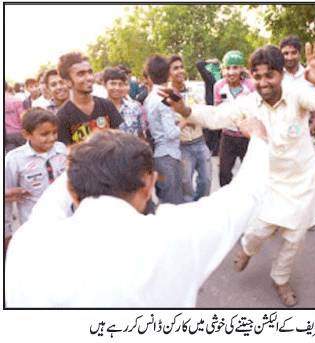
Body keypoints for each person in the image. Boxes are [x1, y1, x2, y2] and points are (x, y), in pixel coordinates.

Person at [6, 120, 269, 307]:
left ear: (73, 191)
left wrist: (90, 159)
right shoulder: (171, 236)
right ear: (149, 184)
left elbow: (54, 197)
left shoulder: (28, 240)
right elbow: (247, 192)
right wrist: (258, 136)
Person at [163, 42, 315, 306]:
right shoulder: (248, 103)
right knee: (258, 230)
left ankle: (280, 279)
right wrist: (185, 110)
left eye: (270, 75)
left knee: (294, 239)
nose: (264, 82)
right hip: (268, 183)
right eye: (258, 76)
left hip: (301, 184)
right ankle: (247, 249)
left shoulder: (297, 93)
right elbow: (216, 116)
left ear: (280, 74)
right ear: (251, 76)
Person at [5, 108, 67, 252]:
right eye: (44, 134)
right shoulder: (14, 160)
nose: (51, 138)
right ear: (27, 134)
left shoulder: (61, 150)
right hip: (35, 228)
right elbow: (7, 198)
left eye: (54, 132)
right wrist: (6, 233)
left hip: (65, 223)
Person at [55, 52, 124, 145]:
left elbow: (119, 140)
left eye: (90, 72)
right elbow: (67, 152)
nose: (89, 78)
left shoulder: (106, 105)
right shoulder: (62, 117)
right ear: (67, 82)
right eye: (81, 74)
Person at [169, 55, 212, 201]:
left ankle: (202, 207)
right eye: (175, 68)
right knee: (186, 183)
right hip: (182, 146)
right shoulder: (166, 95)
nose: (180, 71)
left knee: (206, 181)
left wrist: (188, 116)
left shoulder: (194, 89)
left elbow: (202, 110)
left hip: (200, 142)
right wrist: (188, 119)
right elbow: (169, 121)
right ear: (168, 73)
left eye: (181, 67)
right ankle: (191, 212)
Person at [143, 54, 184, 205]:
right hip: (168, 155)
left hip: (159, 155)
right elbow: (172, 133)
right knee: (173, 204)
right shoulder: (164, 98)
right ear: (168, 73)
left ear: (150, 76)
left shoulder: (149, 97)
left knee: (165, 201)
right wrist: (184, 122)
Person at [214, 50, 256, 186]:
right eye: (228, 68)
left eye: (235, 67)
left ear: (242, 68)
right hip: (227, 136)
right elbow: (217, 110)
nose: (231, 72)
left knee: (251, 173)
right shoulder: (219, 86)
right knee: (224, 173)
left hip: (247, 137)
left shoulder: (251, 85)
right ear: (223, 69)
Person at [103, 67, 147, 138]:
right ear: (105, 85)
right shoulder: (99, 109)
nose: (117, 88)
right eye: (113, 84)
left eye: (120, 84)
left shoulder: (134, 108)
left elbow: (141, 135)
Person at [196, 58, 222, 156]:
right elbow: (199, 64)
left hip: (222, 106)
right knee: (210, 128)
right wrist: (210, 61)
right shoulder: (209, 76)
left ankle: (217, 150)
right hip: (211, 106)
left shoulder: (224, 76)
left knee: (219, 130)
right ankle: (210, 149)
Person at [5, 81, 26, 152]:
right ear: (7, 87)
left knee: (12, 157)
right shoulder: (16, 100)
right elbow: (23, 118)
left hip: (7, 135)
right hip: (20, 133)